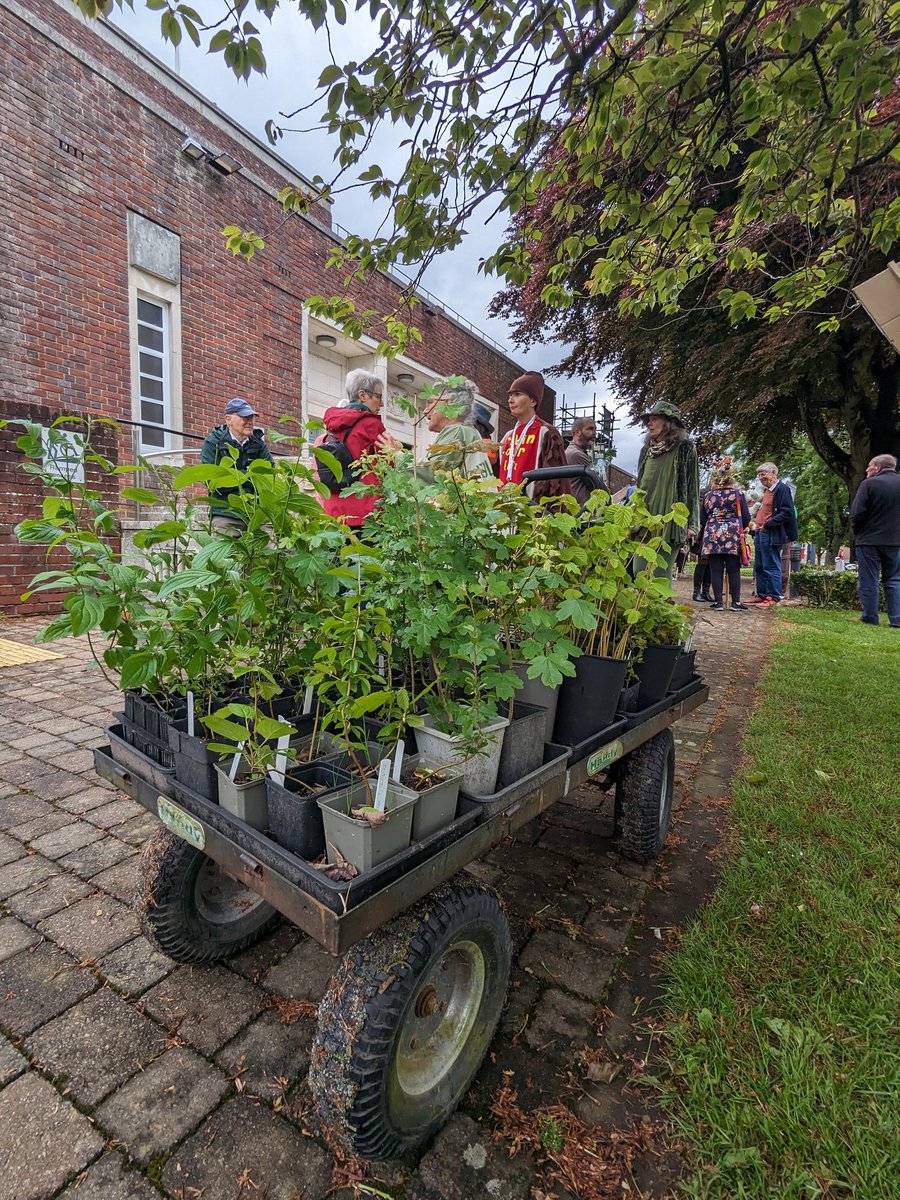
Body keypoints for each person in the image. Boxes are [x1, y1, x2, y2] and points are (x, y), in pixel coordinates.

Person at [321, 370, 400, 529]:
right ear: (362, 396)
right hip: (364, 515)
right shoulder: (371, 426)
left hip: (333, 513)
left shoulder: (331, 425)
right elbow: (388, 470)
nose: (382, 404)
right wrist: (395, 453)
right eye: (378, 397)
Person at [634, 401, 700, 577]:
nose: (649, 423)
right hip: (644, 520)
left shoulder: (685, 448)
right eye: (648, 420)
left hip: (671, 522)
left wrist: (692, 524)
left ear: (669, 423)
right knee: (638, 571)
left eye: (654, 419)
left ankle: (661, 604)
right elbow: (640, 485)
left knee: (661, 575)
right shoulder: (645, 450)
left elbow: (692, 487)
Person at [201, 397, 274, 535]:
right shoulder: (213, 444)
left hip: (256, 513)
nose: (250, 421)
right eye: (245, 417)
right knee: (223, 555)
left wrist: (231, 476)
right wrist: (250, 475)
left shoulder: (259, 444)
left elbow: (270, 479)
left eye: (252, 417)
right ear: (228, 419)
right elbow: (213, 482)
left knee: (272, 549)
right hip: (225, 513)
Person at [498, 371, 572, 502]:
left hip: (532, 512)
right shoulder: (508, 437)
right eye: (510, 395)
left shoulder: (547, 433)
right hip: (505, 510)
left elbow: (557, 482)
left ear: (532, 401)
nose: (510, 400)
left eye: (517, 394)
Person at [848, 453, 900, 628]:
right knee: (894, 579)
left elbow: (857, 513)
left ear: (878, 467)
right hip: (895, 540)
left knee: (869, 579)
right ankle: (896, 618)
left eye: (869, 466)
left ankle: (870, 616)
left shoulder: (869, 484)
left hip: (869, 539)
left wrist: (858, 532)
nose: (867, 469)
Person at [418, 379, 494, 482]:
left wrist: (397, 456)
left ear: (450, 402)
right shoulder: (468, 432)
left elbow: (432, 474)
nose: (425, 411)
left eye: (430, 402)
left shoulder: (457, 431)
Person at [700, 462, 751, 611]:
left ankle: (719, 603)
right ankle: (735, 602)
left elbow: (702, 519)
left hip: (713, 533)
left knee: (715, 569)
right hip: (732, 533)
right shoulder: (738, 495)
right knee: (733, 569)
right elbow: (746, 516)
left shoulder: (709, 496)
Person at [748, 462, 798, 607]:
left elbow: (787, 512)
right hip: (760, 531)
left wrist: (768, 524)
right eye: (759, 475)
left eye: (763, 474)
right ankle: (761, 594)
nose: (760, 478)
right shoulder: (767, 491)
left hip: (771, 532)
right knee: (760, 565)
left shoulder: (782, 489)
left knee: (771, 564)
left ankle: (773, 596)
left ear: (773, 473)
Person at [565, 416, 598, 506]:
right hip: (582, 512)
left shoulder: (574, 452)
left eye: (595, 429)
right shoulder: (575, 454)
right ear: (577, 432)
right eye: (590, 429)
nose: (594, 433)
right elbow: (596, 485)